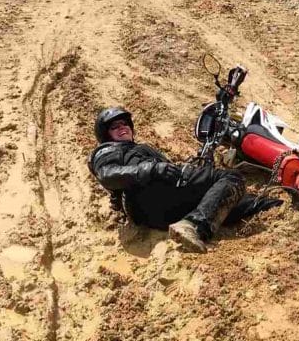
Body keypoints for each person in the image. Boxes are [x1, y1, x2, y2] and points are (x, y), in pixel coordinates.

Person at [88, 107, 277, 253]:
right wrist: (152, 169)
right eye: (115, 127)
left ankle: (274, 206)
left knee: (236, 198)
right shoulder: (108, 150)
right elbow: (108, 174)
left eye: (124, 124)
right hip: (149, 198)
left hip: (170, 207)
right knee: (230, 177)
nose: (122, 128)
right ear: (106, 135)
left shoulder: (139, 149)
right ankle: (195, 226)